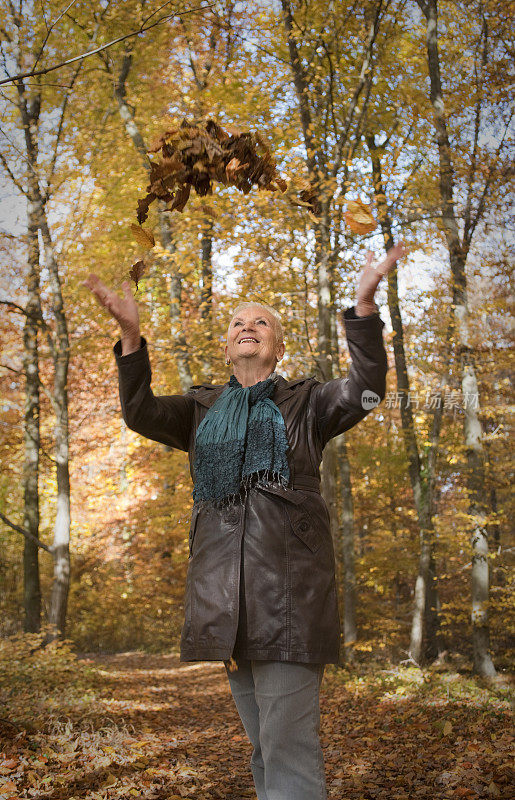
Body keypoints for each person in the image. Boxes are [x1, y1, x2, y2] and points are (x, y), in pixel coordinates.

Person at [83, 241, 407, 800]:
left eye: (261, 322)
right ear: (228, 343)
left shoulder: (309, 403)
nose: (247, 326)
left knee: (288, 750)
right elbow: (139, 412)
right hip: (226, 606)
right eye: (238, 322)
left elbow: (369, 392)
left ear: (277, 347)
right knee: (264, 748)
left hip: (290, 602)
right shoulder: (201, 409)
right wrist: (133, 340)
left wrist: (362, 310)